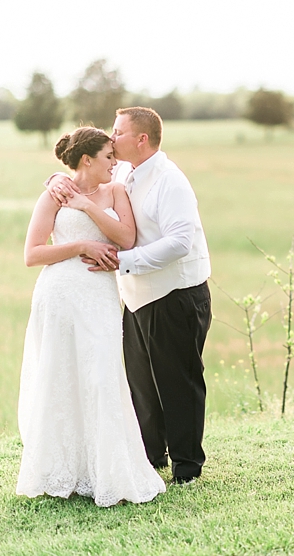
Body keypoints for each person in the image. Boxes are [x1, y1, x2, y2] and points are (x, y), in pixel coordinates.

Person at [49, 107, 212, 485]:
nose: (111, 137)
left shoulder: (171, 181)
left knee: (178, 382)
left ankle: (187, 466)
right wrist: (55, 178)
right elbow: (86, 174)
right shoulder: (122, 170)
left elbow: (179, 243)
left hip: (176, 294)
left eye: (118, 132)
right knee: (141, 381)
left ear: (141, 139)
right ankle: (150, 456)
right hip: (136, 296)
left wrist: (122, 261)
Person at [17, 126, 166, 506]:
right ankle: (61, 471)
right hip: (60, 294)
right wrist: (79, 245)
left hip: (99, 295)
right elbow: (32, 254)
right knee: (61, 374)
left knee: (101, 375)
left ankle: (110, 472)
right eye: (108, 158)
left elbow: (126, 239)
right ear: (87, 159)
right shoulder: (55, 193)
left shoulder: (116, 191)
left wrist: (87, 208)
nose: (115, 164)